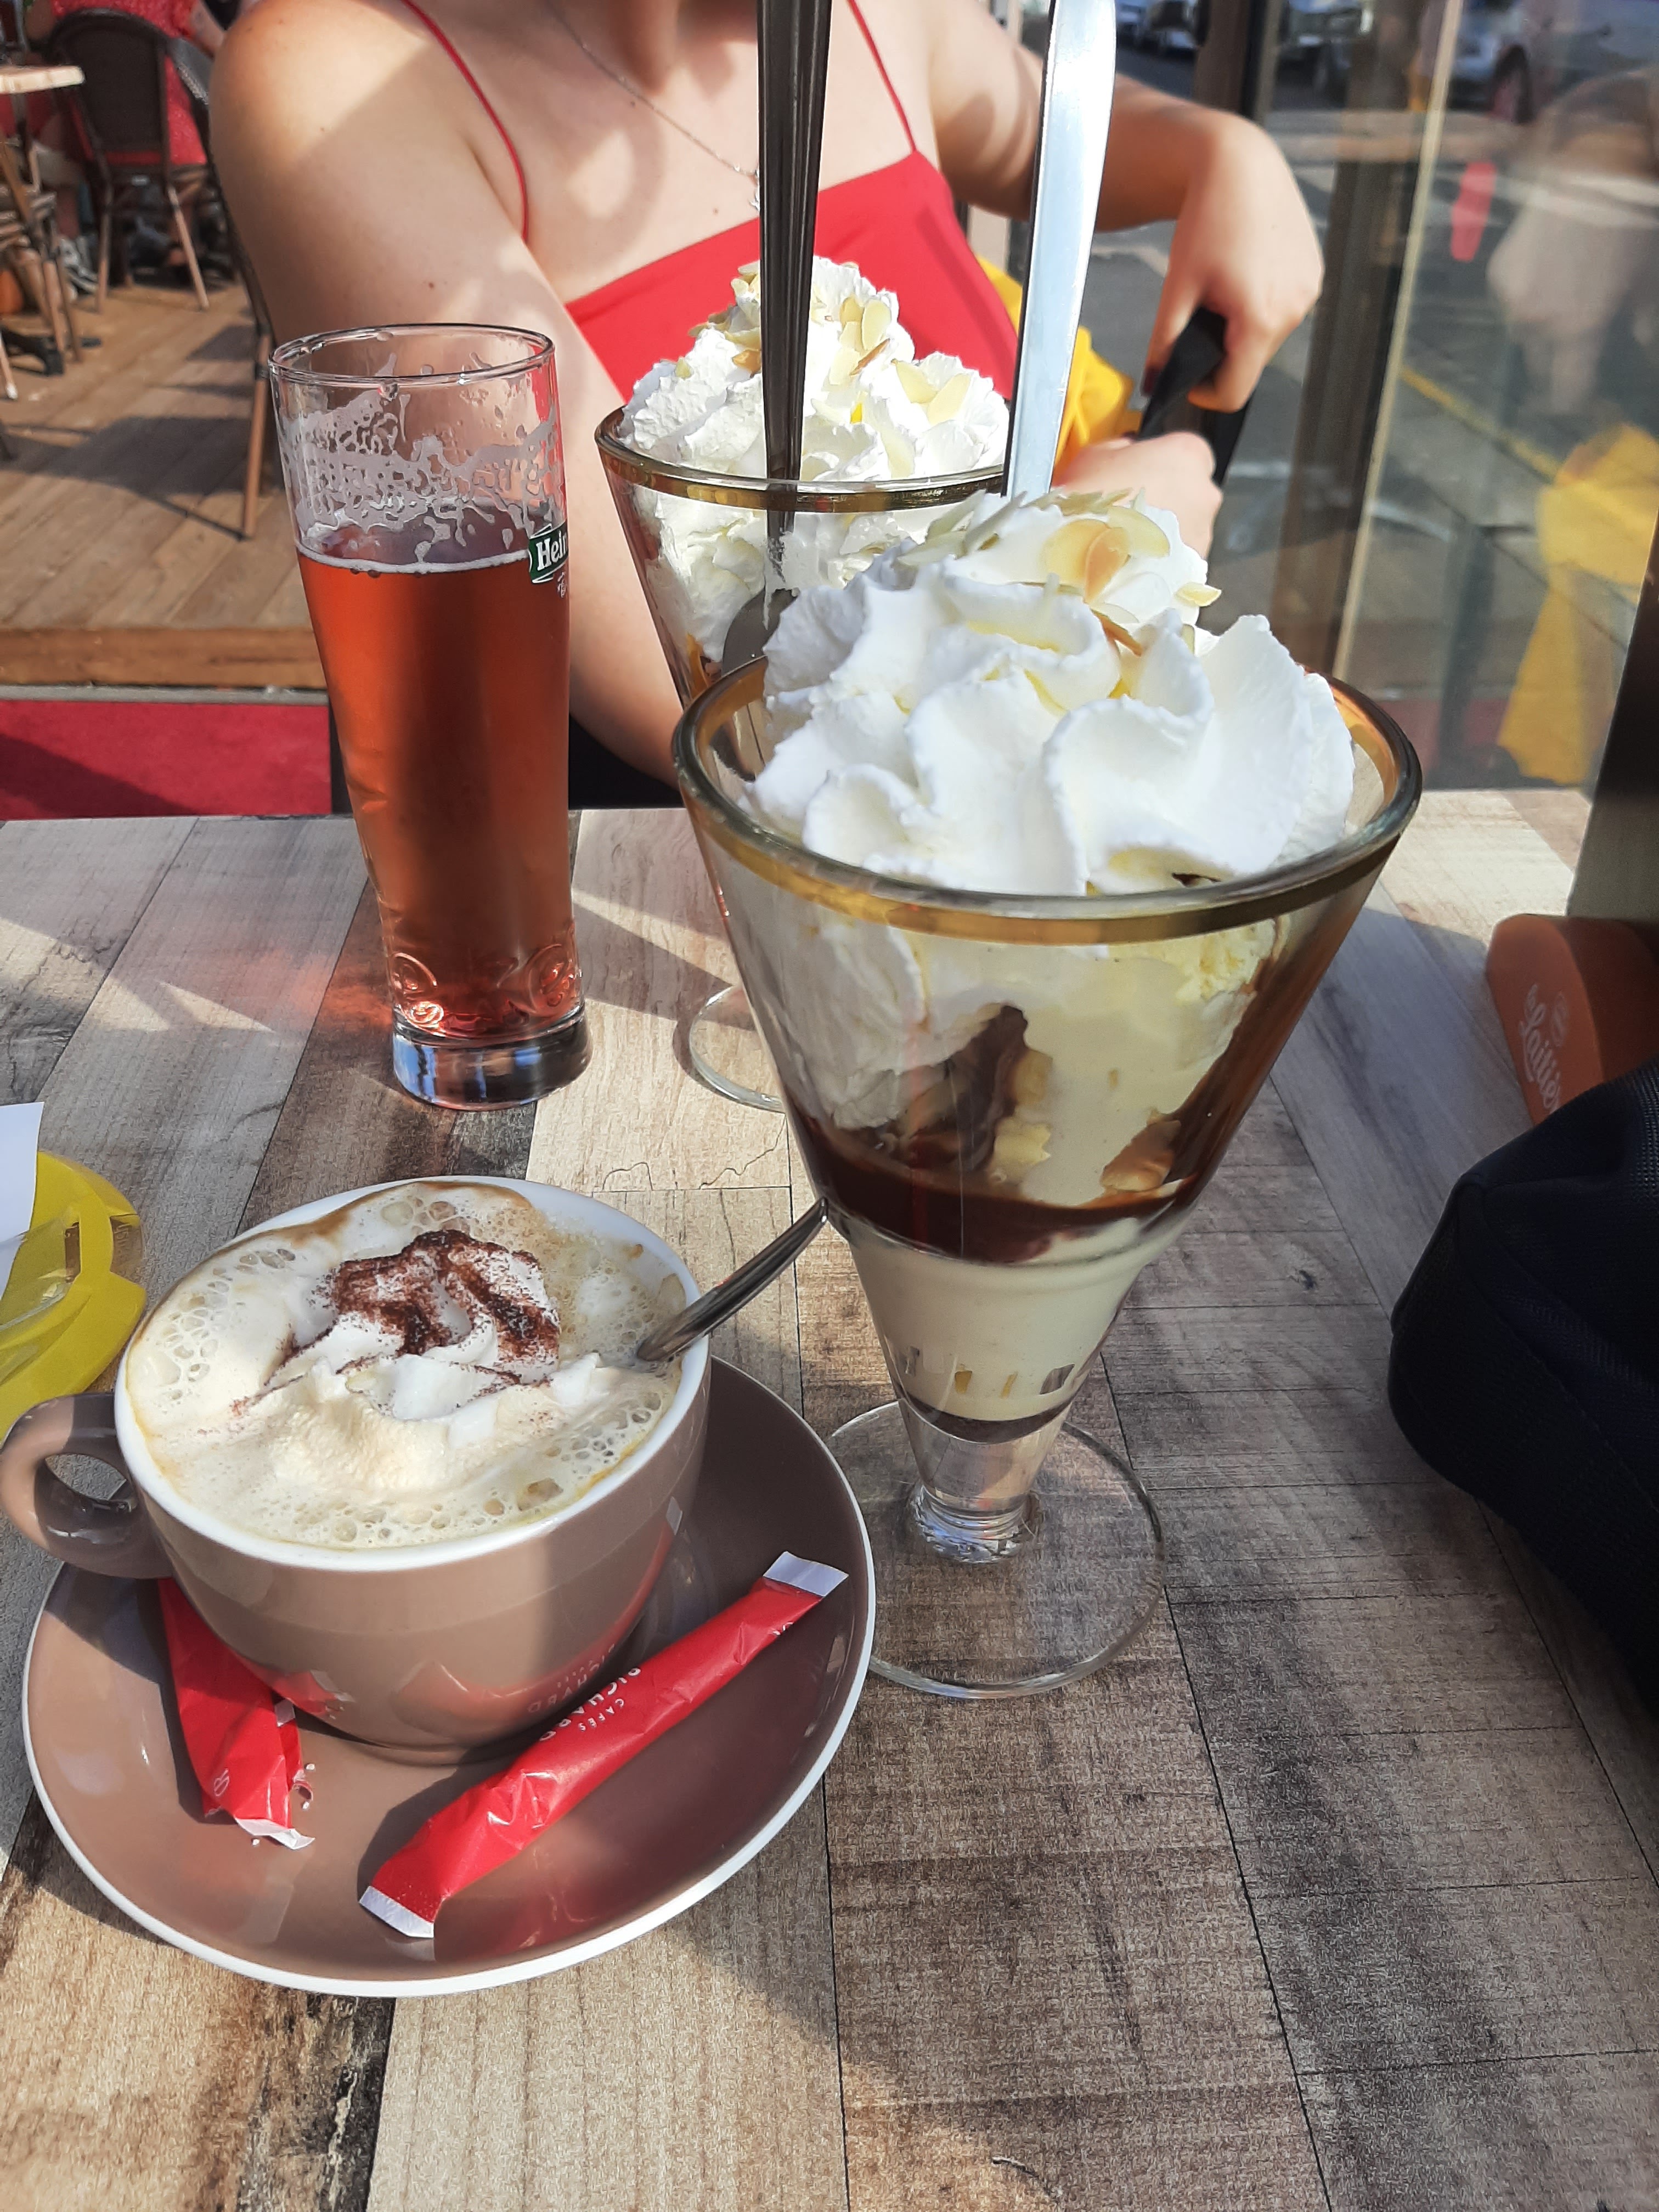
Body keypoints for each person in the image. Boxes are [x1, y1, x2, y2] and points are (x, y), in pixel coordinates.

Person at [212, 0, 1323, 788]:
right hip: (667, 916)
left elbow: (1050, 125)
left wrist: (1220, 152)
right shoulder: (340, 78)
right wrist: (1083, 552)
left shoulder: (878, 14)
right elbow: (712, 708)